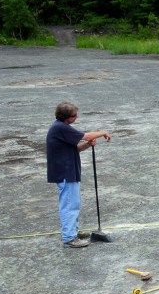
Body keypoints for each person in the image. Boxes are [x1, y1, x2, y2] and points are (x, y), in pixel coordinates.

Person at [46, 102, 111, 247]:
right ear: (67, 117)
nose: (77, 117)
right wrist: (102, 132)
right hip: (65, 172)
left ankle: (72, 232)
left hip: (69, 171)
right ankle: (69, 237)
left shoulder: (63, 127)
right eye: (74, 115)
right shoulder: (60, 128)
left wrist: (88, 144)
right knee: (69, 205)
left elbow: (75, 149)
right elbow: (87, 135)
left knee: (73, 203)